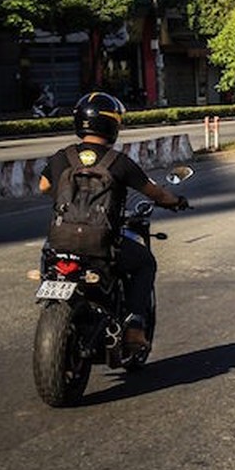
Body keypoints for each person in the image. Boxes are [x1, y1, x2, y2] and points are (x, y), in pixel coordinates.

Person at [38, 92, 189, 350]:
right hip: (101, 244)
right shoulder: (118, 162)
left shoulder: (62, 157)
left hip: (59, 241)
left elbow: (43, 187)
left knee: (49, 261)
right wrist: (175, 202)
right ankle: (133, 327)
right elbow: (156, 193)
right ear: (112, 124)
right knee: (145, 264)